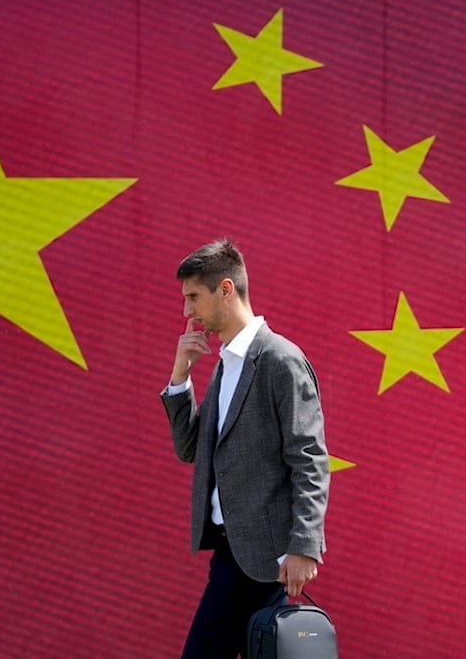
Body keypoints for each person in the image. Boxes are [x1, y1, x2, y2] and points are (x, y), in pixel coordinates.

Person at [160, 239, 330, 659]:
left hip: (267, 559)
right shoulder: (226, 363)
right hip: (230, 551)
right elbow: (189, 449)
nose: (187, 312)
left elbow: (309, 458)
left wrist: (304, 545)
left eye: (193, 297)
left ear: (226, 289)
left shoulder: (279, 360)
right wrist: (180, 377)